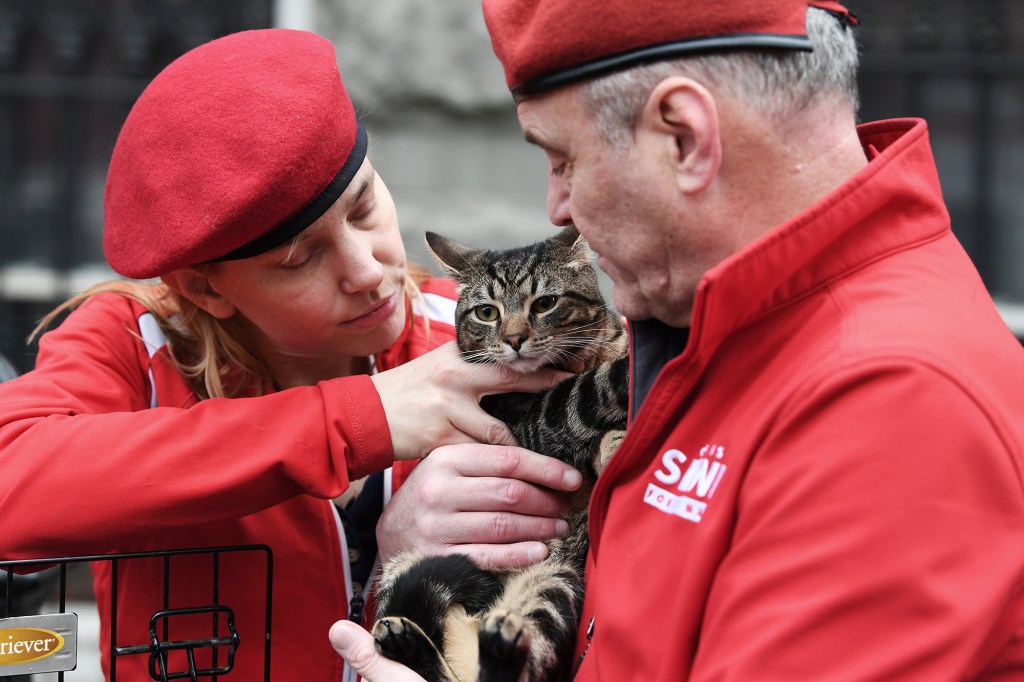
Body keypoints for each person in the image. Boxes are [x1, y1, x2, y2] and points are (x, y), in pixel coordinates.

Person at [332, 0, 1024, 679]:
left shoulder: (889, 400)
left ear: (683, 137)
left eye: (564, 158)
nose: (557, 207)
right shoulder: (715, 319)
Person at [0, 29, 585, 682]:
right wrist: (361, 420)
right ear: (204, 289)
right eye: (300, 258)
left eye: (364, 208)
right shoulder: (136, 342)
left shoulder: (480, 335)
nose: (368, 270)